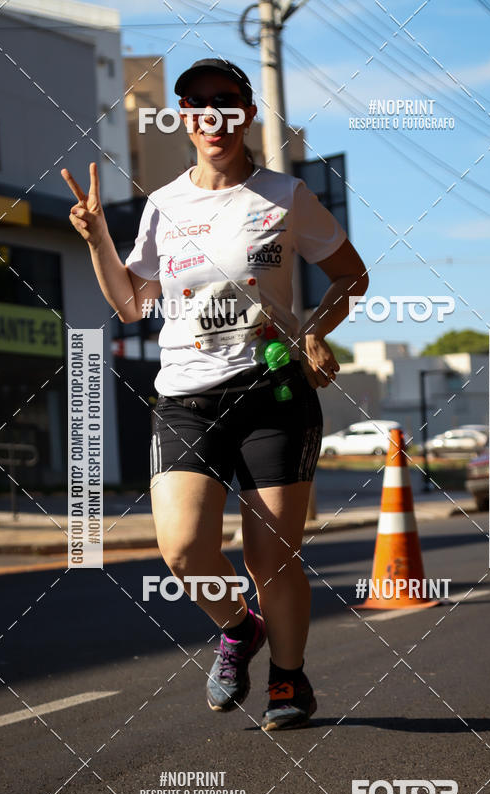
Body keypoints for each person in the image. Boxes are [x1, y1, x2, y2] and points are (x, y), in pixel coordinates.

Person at [62, 58, 369, 730]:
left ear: (247, 114)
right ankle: (239, 627)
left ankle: (288, 679)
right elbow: (132, 304)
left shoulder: (286, 196)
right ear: (184, 119)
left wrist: (314, 330)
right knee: (182, 550)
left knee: (269, 558)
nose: (213, 115)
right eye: (197, 104)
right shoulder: (164, 204)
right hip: (186, 398)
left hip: (271, 393)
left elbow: (352, 276)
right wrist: (96, 238)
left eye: (226, 102)